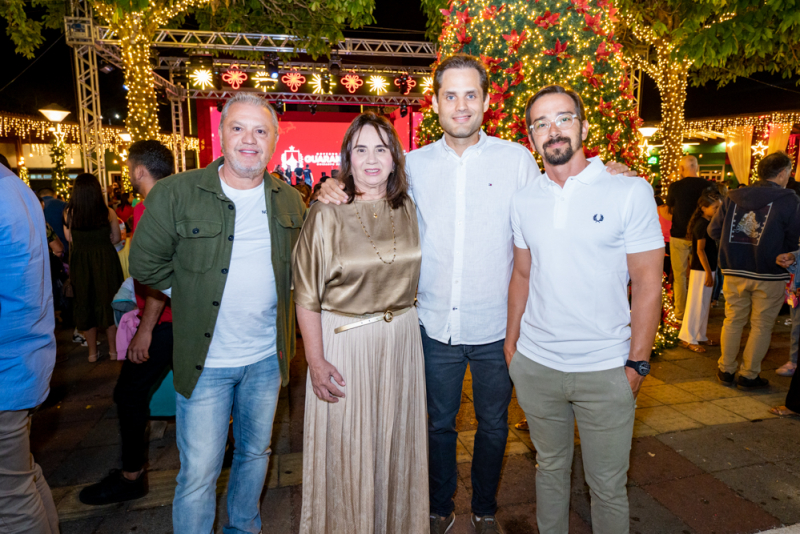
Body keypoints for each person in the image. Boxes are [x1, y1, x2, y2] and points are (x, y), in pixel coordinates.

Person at [318, 54, 633, 534]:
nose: (460, 106)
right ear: (437, 103)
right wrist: (330, 187)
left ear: (485, 102)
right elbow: (370, 191)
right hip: (433, 325)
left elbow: (560, 192)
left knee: (493, 427)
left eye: (470, 95)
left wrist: (607, 172)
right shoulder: (415, 164)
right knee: (437, 425)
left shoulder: (518, 160)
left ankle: (484, 508)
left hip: (498, 329)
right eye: (450, 96)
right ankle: (440, 506)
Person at [130, 93, 305, 534]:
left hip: (267, 359)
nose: (250, 139)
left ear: (274, 141)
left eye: (261, 131)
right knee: (198, 474)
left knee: (255, 456)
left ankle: (243, 529)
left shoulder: (289, 201)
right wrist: (188, 292)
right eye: (239, 128)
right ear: (221, 134)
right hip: (204, 363)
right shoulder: (175, 193)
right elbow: (143, 265)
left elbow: (301, 267)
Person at [506, 84, 664, 534]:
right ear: (531, 137)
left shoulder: (627, 190)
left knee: (608, 485)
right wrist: (512, 345)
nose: (553, 130)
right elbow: (522, 275)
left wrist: (637, 362)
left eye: (563, 118)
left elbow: (648, 283)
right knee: (549, 470)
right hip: (537, 365)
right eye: (541, 123)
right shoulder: (524, 200)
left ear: (583, 126)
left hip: (606, 368)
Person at [295, 112, 428, 533]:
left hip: (403, 341)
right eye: (361, 149)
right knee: (349, 448)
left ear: (395, 158)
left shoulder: (407, 205)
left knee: (395, 445)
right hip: (347, 344)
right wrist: (315, 361)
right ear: (347, 159)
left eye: (381, 149)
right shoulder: (326, 212)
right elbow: (306, 295)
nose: (372, 159)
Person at [79, 140, 175, 506]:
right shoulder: (177, 201)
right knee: (199, 387)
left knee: (129, 394)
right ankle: (228, 448)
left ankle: (132, 476)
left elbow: (158, 275)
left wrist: (145, 330)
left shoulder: (149, 208)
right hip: (183, 318)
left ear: (138, 171)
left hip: (164, 320)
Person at [0, 161, 59, 534]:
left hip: (8, 365)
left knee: (10, 499)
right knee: (22, 478)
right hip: (26, 357)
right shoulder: (15, 188)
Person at [709, 151, 800, 389]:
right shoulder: (789, 200)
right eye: (789, 172)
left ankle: (725, 370)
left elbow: (714, 231)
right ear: (782, 173)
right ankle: (749, 375)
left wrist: (732, 246)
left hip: (734, 269)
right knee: (761, 325)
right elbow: (794, 237)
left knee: (733, 320)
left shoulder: (733, 196)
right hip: (769, 271)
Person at [64, 173, 124, 362]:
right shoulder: (108, 212)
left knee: (85, 302)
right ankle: (114, 351)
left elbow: (69, 239)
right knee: (108, 301)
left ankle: (92, 353)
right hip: (106, 260)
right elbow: (116, 238)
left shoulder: (68, 213)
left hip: (81, 262)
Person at [666, 156, 713, 322]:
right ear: (697, 167)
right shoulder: (708, 186)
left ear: (681, 168)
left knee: (679, 277)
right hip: (700, 235)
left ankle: (680, 313)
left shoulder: (675, 186)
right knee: (699, 276)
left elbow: (669, 209)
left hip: (678, 234)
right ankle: (697, 313)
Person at [678, 194, 722, 352]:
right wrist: (709, 273)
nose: (717, 210)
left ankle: (700, 335)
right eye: (715, 207)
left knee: (704, 305)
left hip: (707, 269)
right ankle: (689, 337)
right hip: (702, 270)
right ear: (704, 208)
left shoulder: (707, 223)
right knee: (697, 304)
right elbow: (700, 250)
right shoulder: (702, 225)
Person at [655, 196, 672, 276]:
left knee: (663, 264)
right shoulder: (670, 210)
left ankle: (665, 282)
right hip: (672, 239)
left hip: (662, 240)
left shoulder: (657, 211)